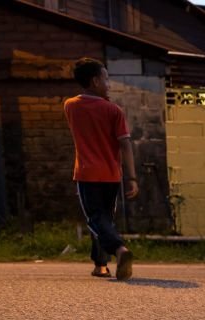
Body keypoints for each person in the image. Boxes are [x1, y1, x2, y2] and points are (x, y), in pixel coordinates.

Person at [63, 57, 136, 281]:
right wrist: (132, 177)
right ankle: (101, 265)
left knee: (96, 220)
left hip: (87, 173)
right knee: (104, 220)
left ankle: (119, 249)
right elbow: (125, 144)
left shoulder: (70, 105)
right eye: (106, 79)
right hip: (112, 175)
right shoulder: (114, 110)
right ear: (95, 81)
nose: (109, 83)